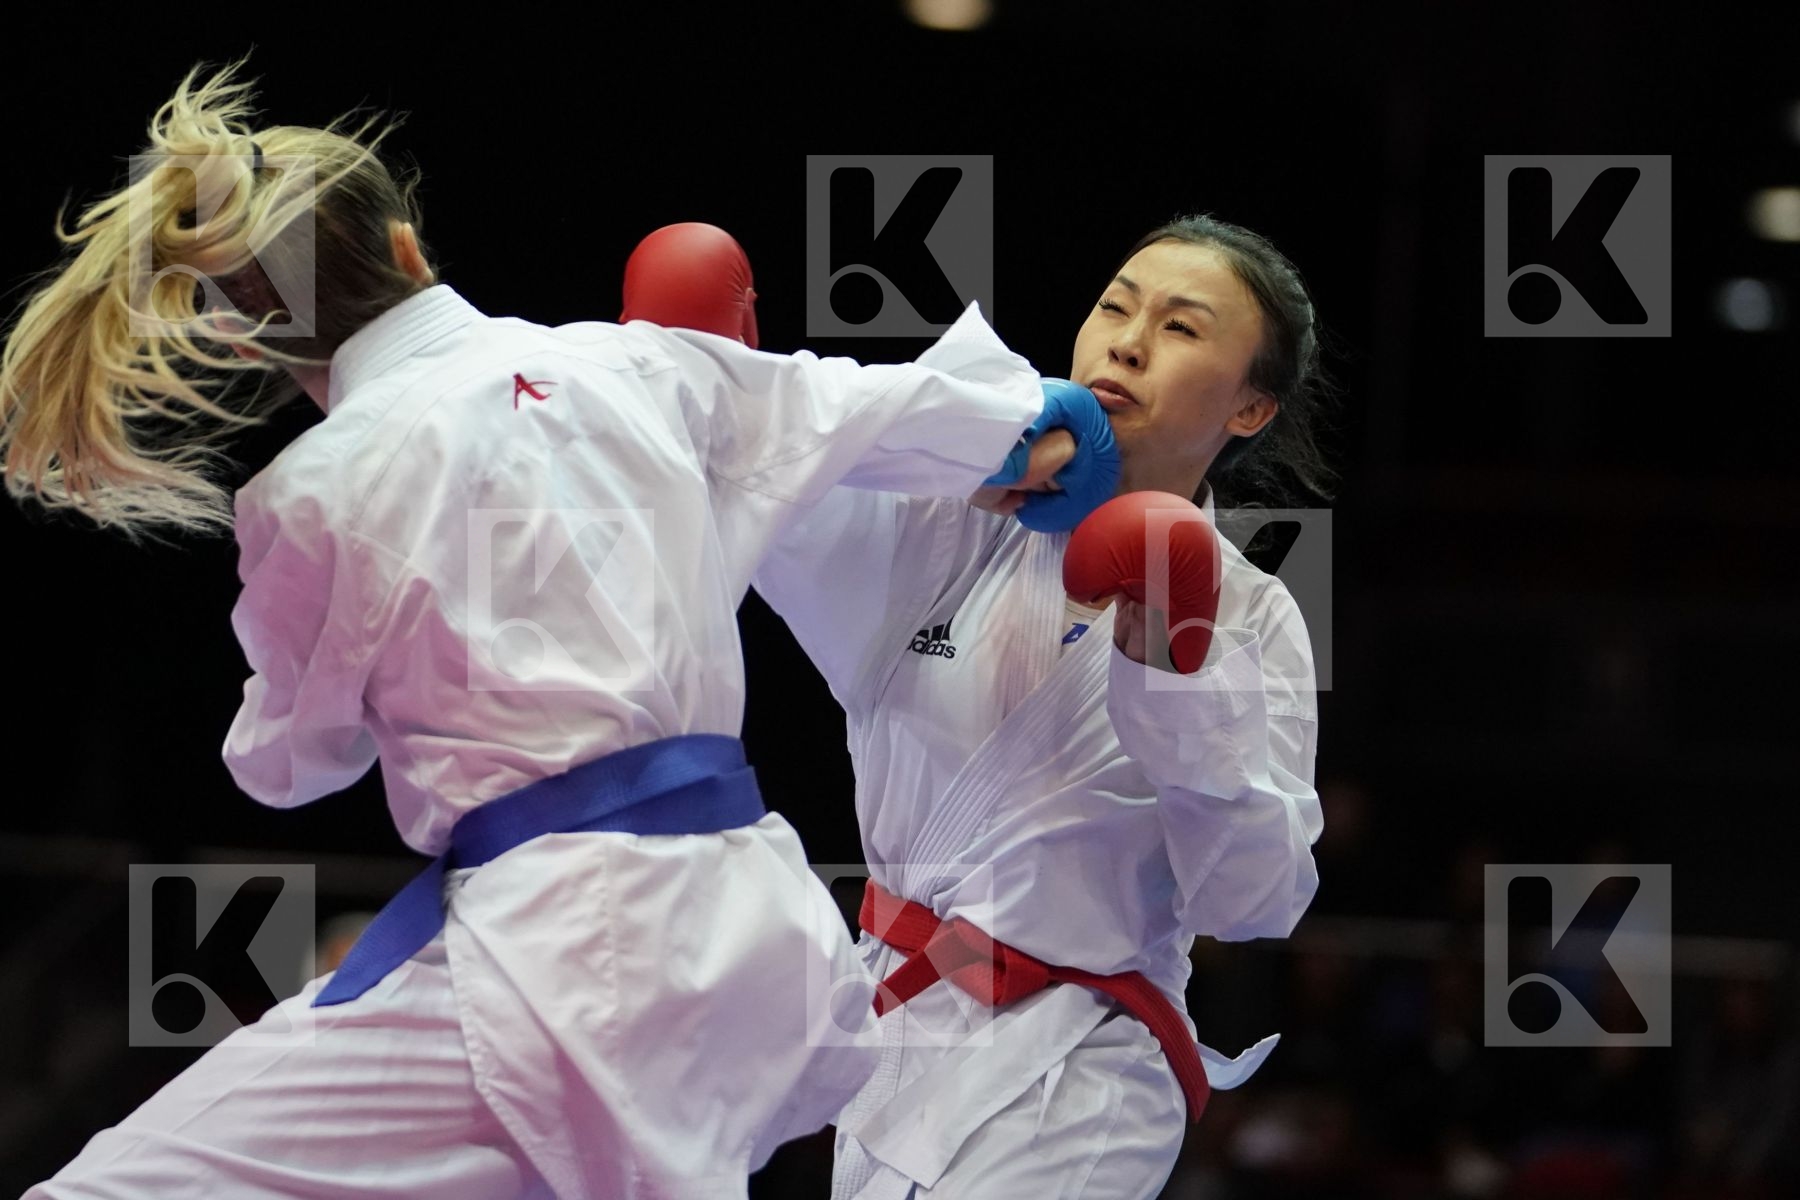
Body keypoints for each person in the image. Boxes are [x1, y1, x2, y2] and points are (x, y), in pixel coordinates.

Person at [0, 59, 1118, 1199]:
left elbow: (290, 768)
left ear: (248, 343)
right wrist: (1052, 434)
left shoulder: (304, 495)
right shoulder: (636, 362)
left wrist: (295, 709)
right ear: (408, 250)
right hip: (748, 926)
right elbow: (864, 404)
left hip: (566, 959)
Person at [638, 214, 1337, 1198]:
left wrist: (1178, 671)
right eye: (1115, 308)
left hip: (1083, 1061)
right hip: (901, 1032)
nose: (1129, 341)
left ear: (1251, 408)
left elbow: (1255, 900)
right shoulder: (947, 517)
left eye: (1181, 329)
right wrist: (929, 442)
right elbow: (757, 478)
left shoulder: (1253, 619)